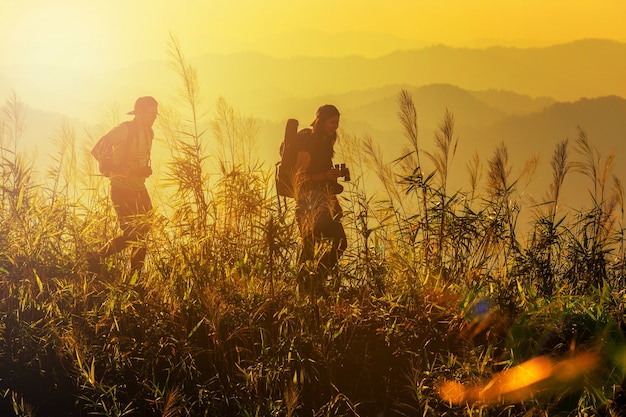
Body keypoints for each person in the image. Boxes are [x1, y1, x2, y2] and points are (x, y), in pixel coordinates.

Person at [87, 96, 158, 279]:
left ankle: (134, 279)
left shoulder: (149, 133)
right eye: (151, 113)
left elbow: (137, 161)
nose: (154, 117)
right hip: (121, 189)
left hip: (139, 188)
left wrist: (143, 171)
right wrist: (115, 168)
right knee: (133, 233)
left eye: (155, 113)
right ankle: (98, 256)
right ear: (139, 112)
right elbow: (98, 148)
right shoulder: (124, 129)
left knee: (144, 230)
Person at [293, 104, 348, 295]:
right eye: (332, 122)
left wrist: (335, 204)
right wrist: (324, 175)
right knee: (310, 247)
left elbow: (325, 181)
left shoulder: (325, 145)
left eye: (337, 123)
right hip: (307, 206)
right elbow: (299, 177)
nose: (336, 127)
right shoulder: (307, 144)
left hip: (322, 206)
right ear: (321, 121)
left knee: (332, 242)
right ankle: (307, 287)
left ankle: (312, 283)